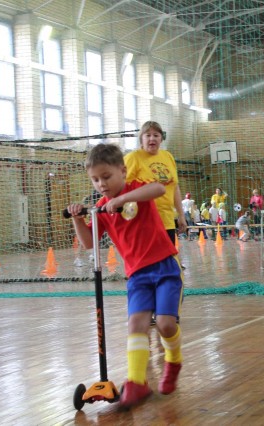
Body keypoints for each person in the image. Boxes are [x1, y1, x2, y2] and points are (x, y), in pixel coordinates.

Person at [66, 143, 183, 408]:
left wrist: (121, 200)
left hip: (164, 267)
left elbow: (158, 189)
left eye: (106, 176)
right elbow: (88, 242)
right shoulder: (101, 207)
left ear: (123, 171)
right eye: (95, 179)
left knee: (165, 324)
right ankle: (137, 382)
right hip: (137, 276)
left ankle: (174, 361)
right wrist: (77, 218)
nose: (101, 184)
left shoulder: (135, 189)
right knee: (136, 325)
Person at [125, 121, 187, 244]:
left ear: (161, 139)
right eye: (148, 135)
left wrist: (181, 215)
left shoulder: (168, 156)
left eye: (156, 135)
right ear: (141, 139)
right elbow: (122, 187)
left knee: (168, 255)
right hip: (144, 222)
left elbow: (174, 187)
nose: (152, 138)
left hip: (167, 221)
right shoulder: (133, 158)